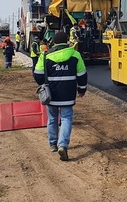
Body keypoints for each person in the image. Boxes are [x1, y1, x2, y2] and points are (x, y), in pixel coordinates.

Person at [32, 31, 87, 161]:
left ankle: (53, 144)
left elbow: (38, 75)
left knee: (52, 118)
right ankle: (63, 145)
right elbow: (82, 75)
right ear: (67, 41)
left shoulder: (45, 56)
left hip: (51, 94)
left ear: (54, 42)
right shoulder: (75, 55)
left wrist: (44, 83)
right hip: (68, 93)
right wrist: (82, 89)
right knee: (66, 118)